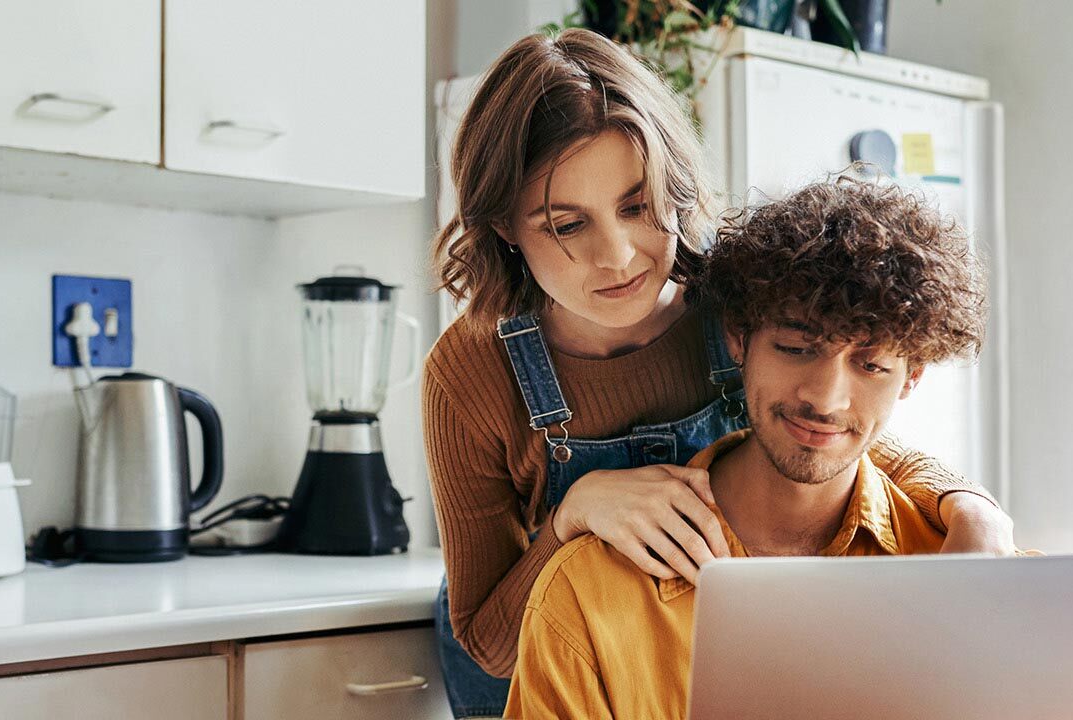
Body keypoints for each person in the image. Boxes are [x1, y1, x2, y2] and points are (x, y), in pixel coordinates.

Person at [502, 177, 1073, 719]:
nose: (827, 397)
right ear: (741, 339)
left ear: (914, 375)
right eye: (797, 347)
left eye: (871, 363)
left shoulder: (971, 560)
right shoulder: (592, 595)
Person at [425, 28, 1015, 718]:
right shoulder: (470, 373)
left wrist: (968, 504)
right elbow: (489, 643)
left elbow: (828, 422)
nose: (618, 256)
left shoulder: (729, 301)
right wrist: (574, 514)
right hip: (533, 645)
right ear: (504, 226)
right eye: (565, 225)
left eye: (637, 205)